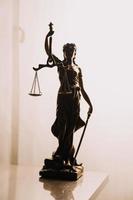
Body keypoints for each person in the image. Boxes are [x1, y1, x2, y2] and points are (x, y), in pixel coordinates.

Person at [44, 29, 93, 167]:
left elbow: (82, 89)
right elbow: (48, 52)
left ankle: (68, 156)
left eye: (72, 51)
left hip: (75, 99)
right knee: (62, 125)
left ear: (75, 53)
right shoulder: (60, 64)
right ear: (64, 53)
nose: (70, 53)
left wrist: (90, 104)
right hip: (63, 97)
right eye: (67, 51)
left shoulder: (78, 68)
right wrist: (48, 37)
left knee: (71, 127)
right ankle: (60, 154)